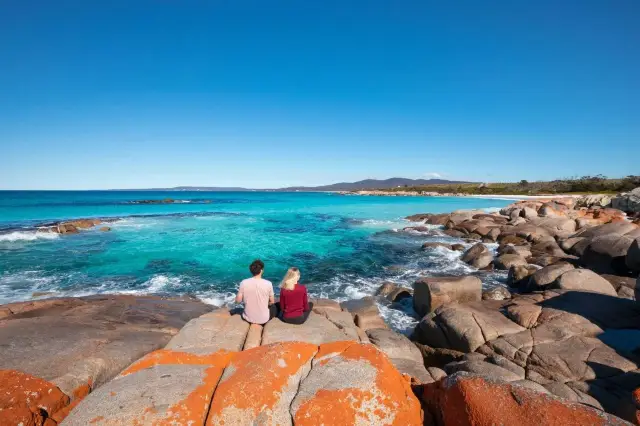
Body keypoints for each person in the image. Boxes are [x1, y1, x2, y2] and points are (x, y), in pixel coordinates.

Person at [235, 259, 277, 325]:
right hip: (263, 319)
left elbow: (238, 301)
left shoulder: (244, 282)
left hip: (247, 318)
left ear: (251, 270)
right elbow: (272, 301)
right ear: (261, 270)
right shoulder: (268, 283)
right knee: (274, 307)